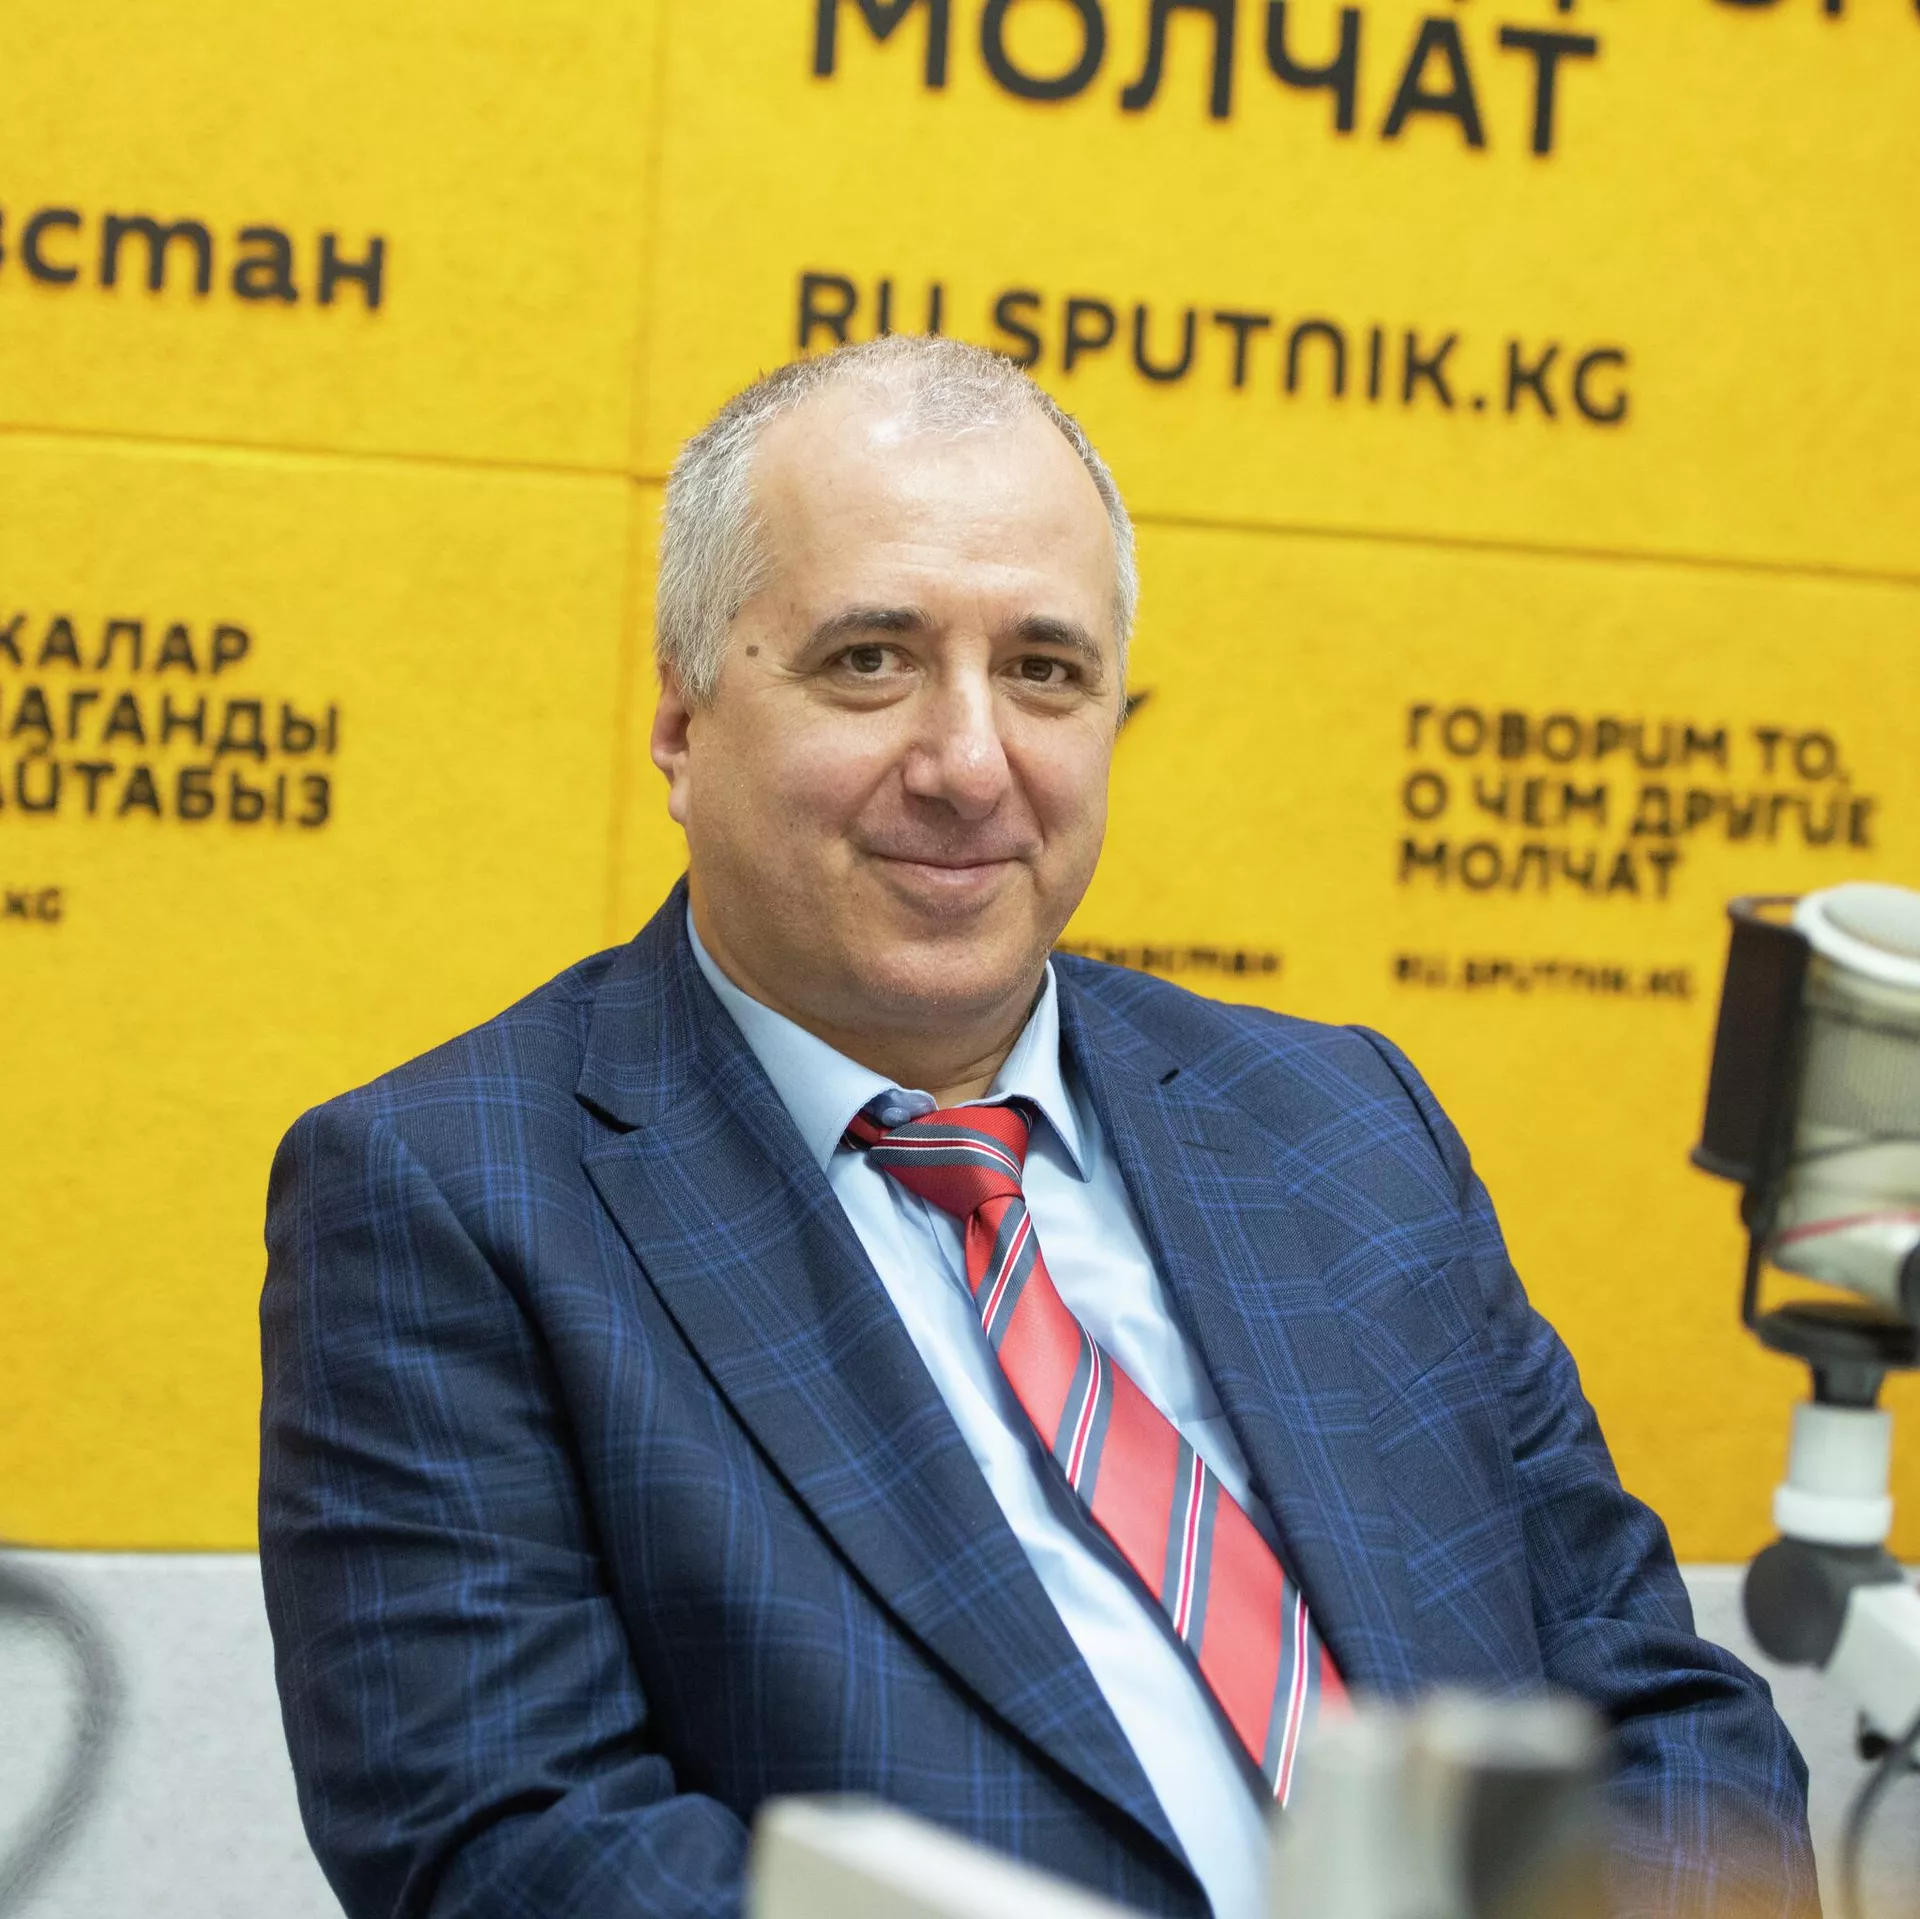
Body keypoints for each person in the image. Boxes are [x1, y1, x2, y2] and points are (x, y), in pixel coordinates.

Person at [259, 335, 1815, 1919]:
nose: (970, 763)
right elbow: (515, 1847)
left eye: (1044, 671)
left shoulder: (1346, 1124)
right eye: (871, 659)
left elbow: (1660, 1706)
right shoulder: (450, 1197)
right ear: (680, 718)